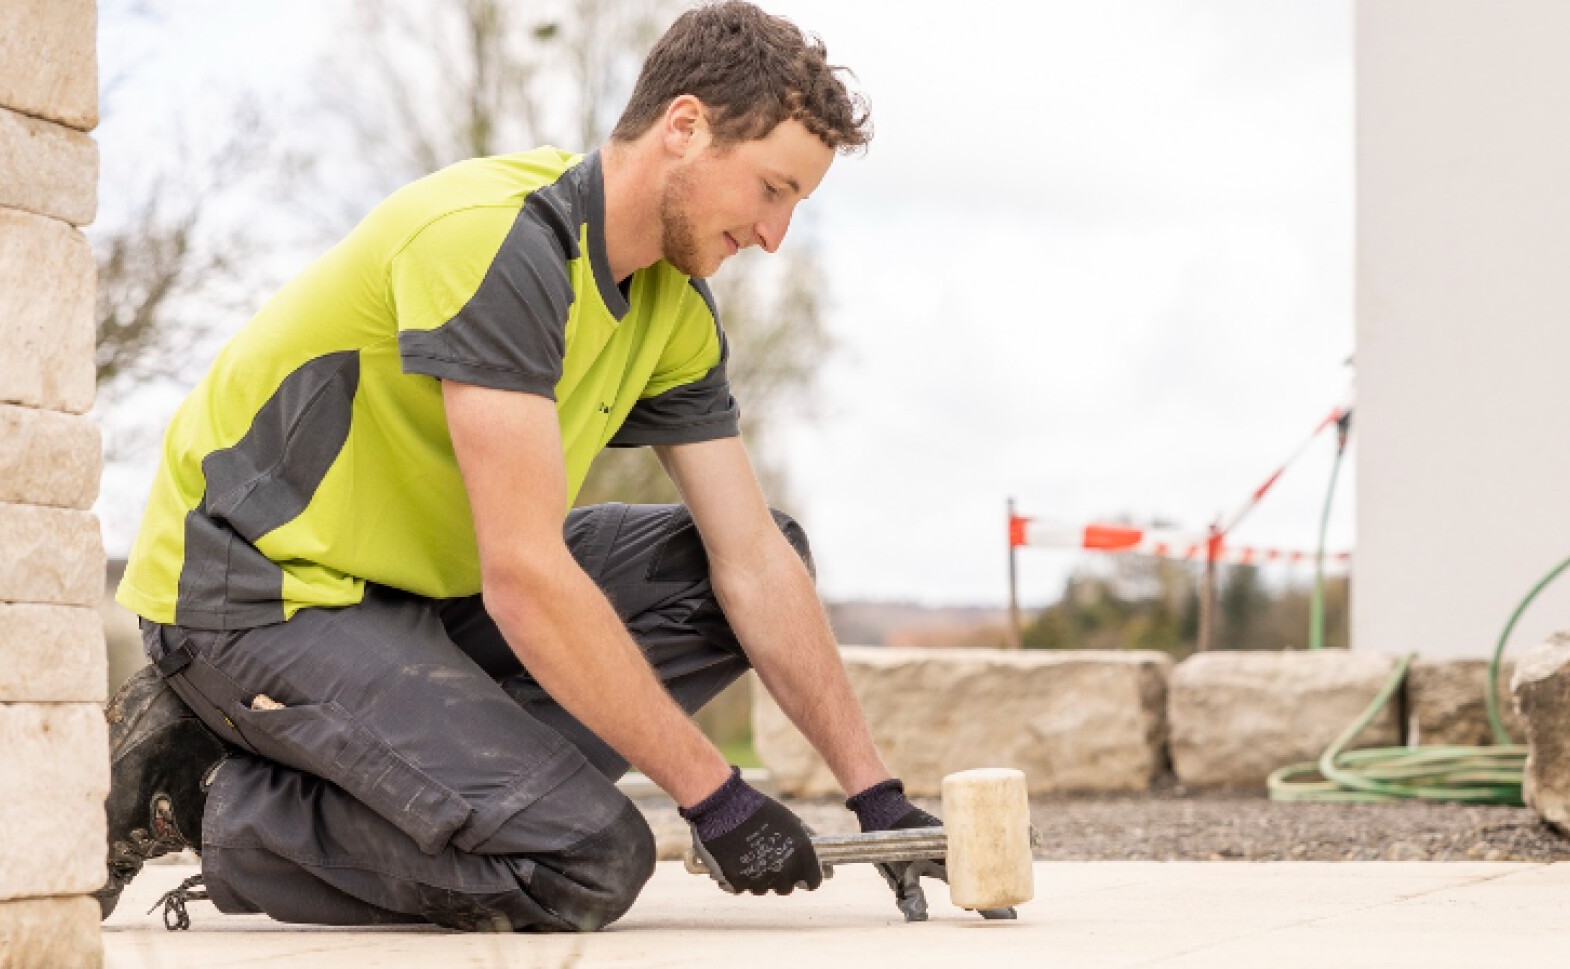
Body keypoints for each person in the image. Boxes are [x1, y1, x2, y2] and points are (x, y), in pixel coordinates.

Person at [99, 2, 943, 932]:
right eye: (772, 189)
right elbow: (527, 576)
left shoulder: (673, 310)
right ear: (687, 127)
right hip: (255, 591)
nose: (776, 234)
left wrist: (880, 800)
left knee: (744, 555)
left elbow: (748, 557)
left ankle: (416, 776)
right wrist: (716, 795)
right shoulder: (497, 240)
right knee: (585, 857)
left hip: (416, 596)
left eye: (796, 206)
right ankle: (201, 791)